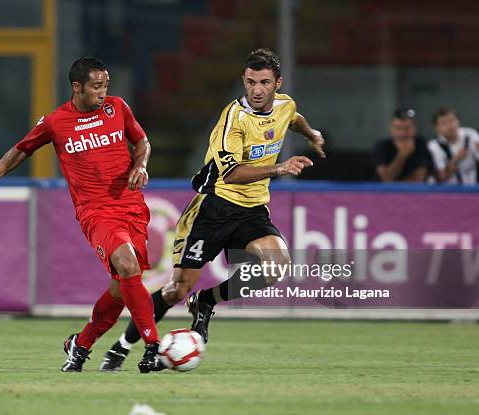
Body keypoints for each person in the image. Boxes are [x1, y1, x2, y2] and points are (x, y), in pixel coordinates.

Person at [99, 48, 325, 371]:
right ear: (243, 82)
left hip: (251, 210)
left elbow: (292, 118)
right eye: (250, 82)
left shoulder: (285, 104)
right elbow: (230, 173)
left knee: (276, 266)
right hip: (213, 209)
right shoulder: (233, 120)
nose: (257, 90)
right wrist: (280, 168)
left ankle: (207, 300)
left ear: (278, 83)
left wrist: (311, 133)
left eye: (264, 82)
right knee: (177, 289)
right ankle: (121, 348)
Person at [0, 57, 162, 373]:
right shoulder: (56, 122)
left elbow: (141, 141)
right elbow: (19, 151)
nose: (103, 93)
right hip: (96, 212)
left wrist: (140, 165)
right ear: (77, 87)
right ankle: (152, 347)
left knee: (122, 287)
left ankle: (81, 344)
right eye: (96, 86)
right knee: (128, 265)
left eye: (105, 85)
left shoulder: (118, 108)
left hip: (132, 207)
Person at [373, 108, 432, 182]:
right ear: (391, 129)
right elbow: (386, 179)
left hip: (414, 192)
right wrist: (402, 155)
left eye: (407, 128)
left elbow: (418, 179)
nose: (402, 133)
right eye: (398, 128)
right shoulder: (382, 145)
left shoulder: (421, 143)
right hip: (384, 193)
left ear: (414, 129)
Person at [427, 107, 479, 185]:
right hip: (449, 193)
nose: (449, 125)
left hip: (473, 190)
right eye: (444, 123)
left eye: (452, 120)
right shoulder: (433, 146)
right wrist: (456, 159)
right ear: (436, 128)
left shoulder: (471, 135)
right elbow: (442, 177)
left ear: (458, 121)